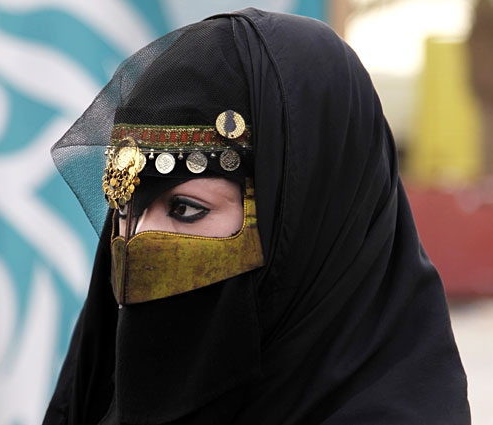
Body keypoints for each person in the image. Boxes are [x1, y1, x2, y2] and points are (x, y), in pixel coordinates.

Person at [44, 8, 470, 425]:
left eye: (185, 209)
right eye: (123, 207)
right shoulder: (98, 395)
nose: (137, 244)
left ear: (306, 226)